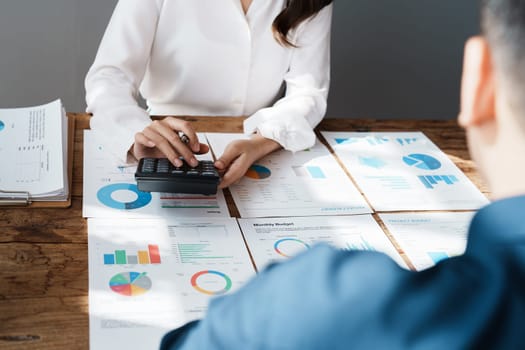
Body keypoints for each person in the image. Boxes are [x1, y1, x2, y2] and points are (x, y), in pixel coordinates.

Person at [160, 0, 525, 348]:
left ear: (479, 79)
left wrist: (262, 139)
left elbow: (309, 91)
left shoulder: (324, 304)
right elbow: (106, 80)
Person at [85, 0, 333, 188]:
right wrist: (136, 133)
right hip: (165, 141)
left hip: (255, 141)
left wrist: (262, 142)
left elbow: (308, 91)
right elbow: (109, 76)